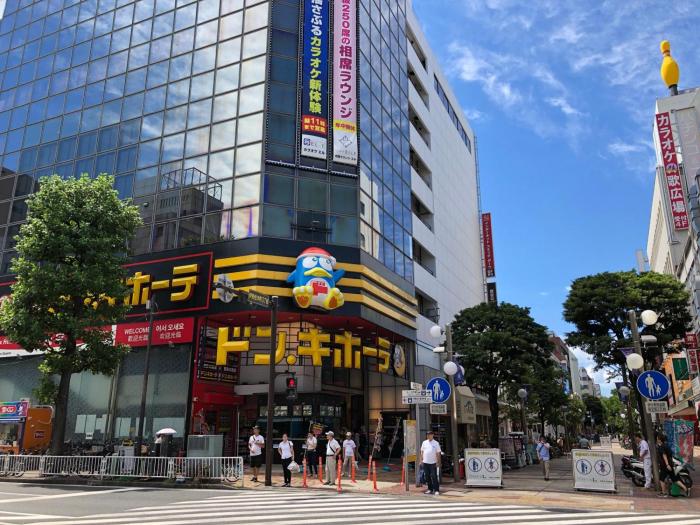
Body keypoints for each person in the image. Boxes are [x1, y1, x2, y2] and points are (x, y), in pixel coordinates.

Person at [420, 430, 441, 496]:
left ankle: (436, 490)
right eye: (427, 435)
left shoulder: (436, 443)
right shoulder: (424, 442)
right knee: (427, 476)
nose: (428, 436)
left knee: (434, 476)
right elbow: (422, 452)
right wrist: (421, 460)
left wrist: (438, 462)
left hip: (433, 462)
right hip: (425, 462)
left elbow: (438, 453)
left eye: (430, 434)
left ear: (433, 435)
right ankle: (430, 489)